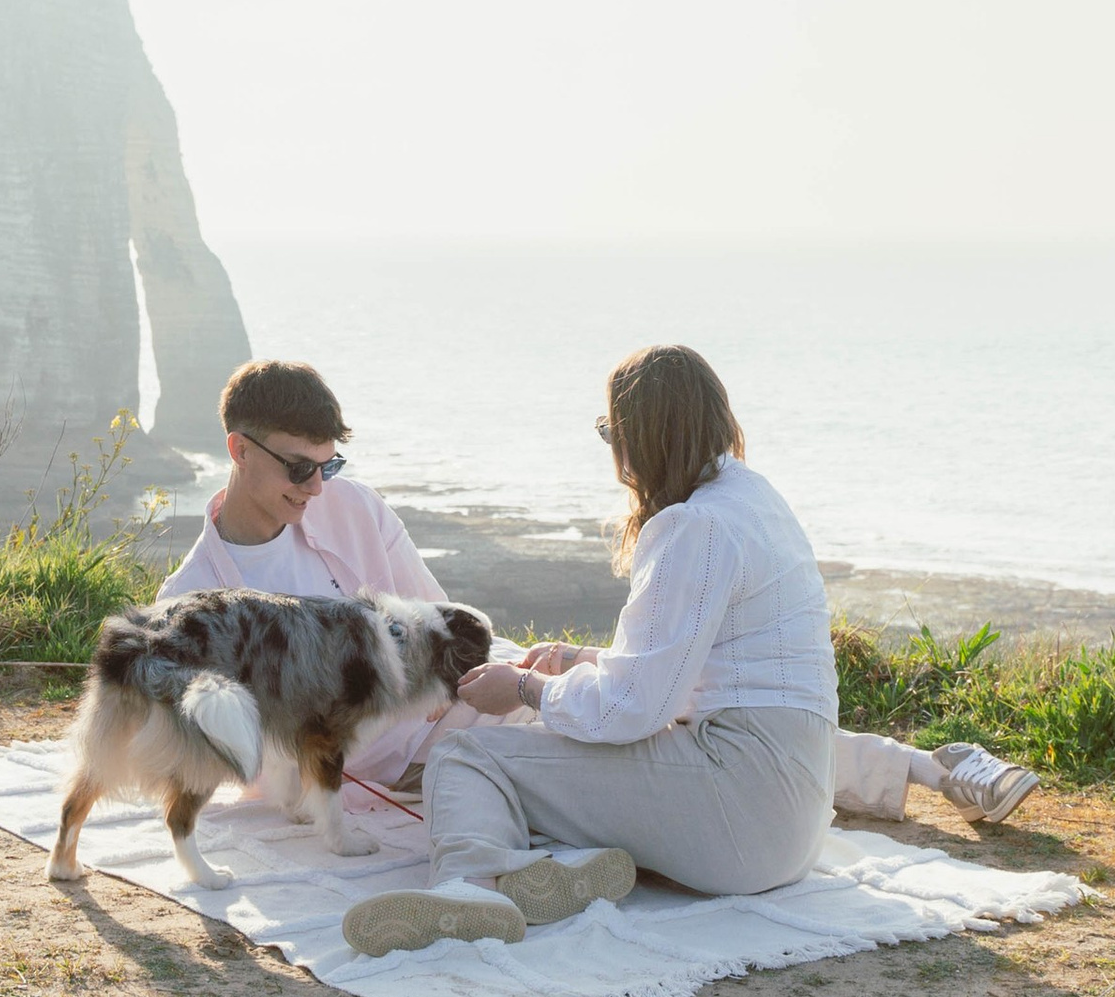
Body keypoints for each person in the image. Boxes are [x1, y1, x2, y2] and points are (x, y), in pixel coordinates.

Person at [340, 343, 1036, 958]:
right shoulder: (754, 500)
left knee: (469, 754)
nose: (611, 449)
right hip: (790, 822)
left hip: (737, 813)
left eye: (610, 430)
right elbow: (689, 671)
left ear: (639, 440)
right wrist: (580, 660)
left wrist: (522, 691)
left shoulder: (689, 527)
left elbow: (632, 711)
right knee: (570, 760)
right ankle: (571, 865)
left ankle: (472, 886)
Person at [155, 354, 484, 789]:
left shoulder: (354, 506)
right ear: (241, 450)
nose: (316, 487)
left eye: (329, 465)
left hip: (464, 708)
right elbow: (245, 758)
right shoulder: (191, 600)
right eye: (300, 468)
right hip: (398, 767)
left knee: (573, 698)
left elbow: (442, 623)